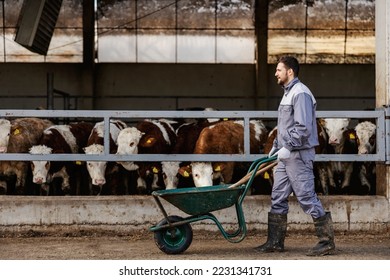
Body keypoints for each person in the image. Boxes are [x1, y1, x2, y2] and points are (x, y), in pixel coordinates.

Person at [255, 56, 335, 256]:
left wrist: (288, 146)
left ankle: (326, 241)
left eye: (279, 70)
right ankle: (275, 242)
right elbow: (285, 126)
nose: (276, 73)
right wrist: (276, 145)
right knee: (278, 196)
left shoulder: (300, 93)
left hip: (298, 155)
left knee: (306, 196)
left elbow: (303, 127)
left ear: (290, 72)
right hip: (286, 154)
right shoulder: (287, 93)